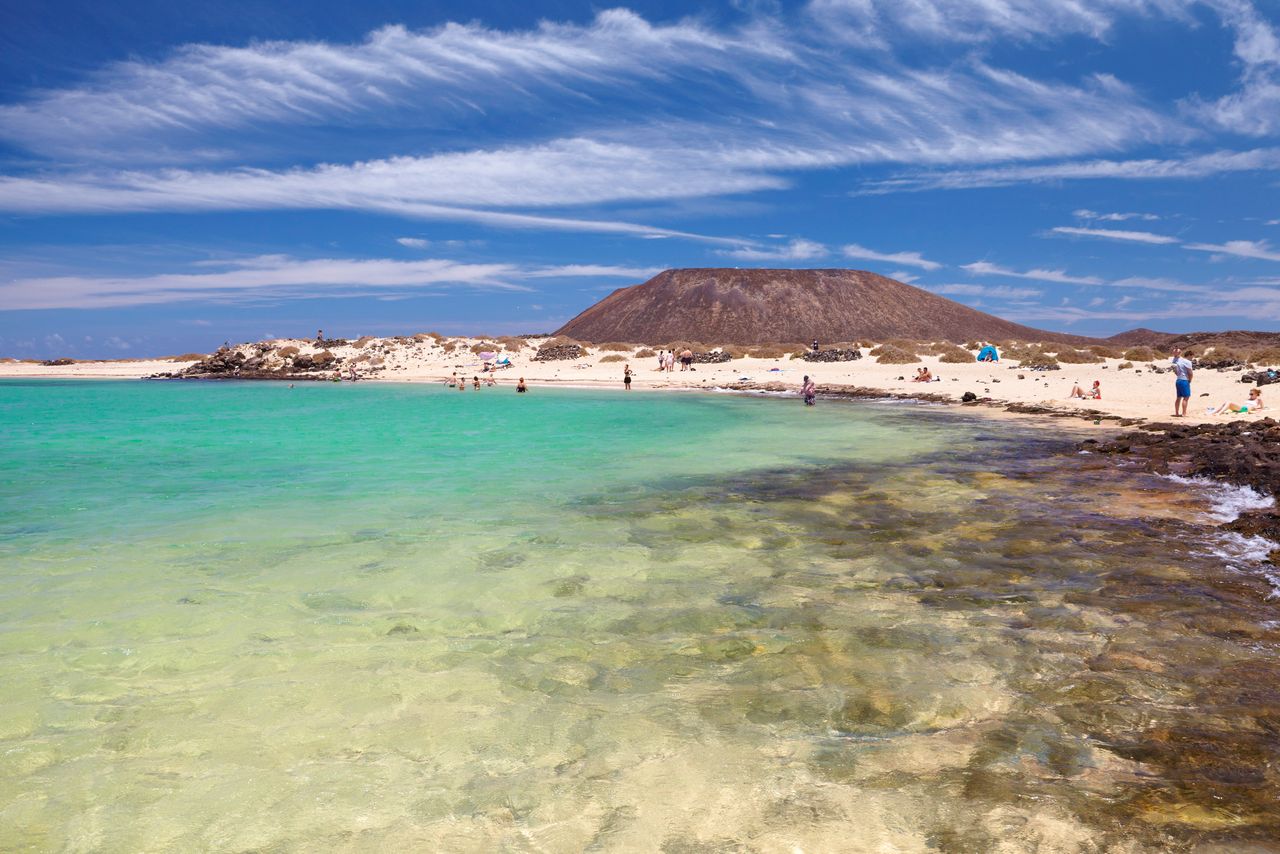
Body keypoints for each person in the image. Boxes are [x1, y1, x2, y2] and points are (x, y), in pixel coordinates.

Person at [1171, 348, 1194, 417]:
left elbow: (1175, 369)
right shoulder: (1188, 362)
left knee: (1178, 397)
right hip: (1184, 380)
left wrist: (1176, 352)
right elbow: (1190, 373)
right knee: (1186, 398)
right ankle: (1184, 413)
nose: (1192, 358)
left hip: (1178, 380)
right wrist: (1190, 380)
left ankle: (1177, 413)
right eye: (1192, 356)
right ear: (1189, 355)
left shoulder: (1179, 361)